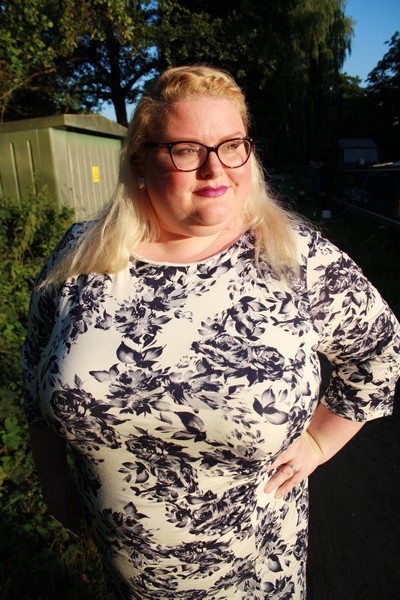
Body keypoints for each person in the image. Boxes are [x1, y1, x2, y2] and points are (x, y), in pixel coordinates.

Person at [22, 64, 400, 600]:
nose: (214, 168)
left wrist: (320, 440)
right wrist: (52, 475)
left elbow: (379, 350)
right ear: (140, 160)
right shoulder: (83, 253)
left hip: (254, 577)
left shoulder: (296, 257)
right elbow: (35, 358)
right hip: (124, 576)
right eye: (186, 150)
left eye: (231, 145)